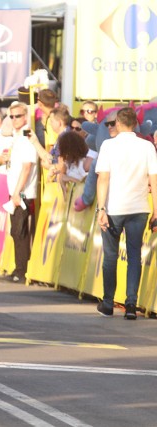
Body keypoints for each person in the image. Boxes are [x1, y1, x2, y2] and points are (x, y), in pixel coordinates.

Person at [95, 107, 157, 319]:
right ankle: (131, 304)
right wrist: (156, 210)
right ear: (136, 125)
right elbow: (154, 181)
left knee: (110, 256)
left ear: (119, 124)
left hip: (114, 208)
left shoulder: (108, 146)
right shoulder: (147, 147)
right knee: (134, 257)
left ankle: (108, 302)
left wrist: (101, 208)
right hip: (139, 208)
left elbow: (102, 178)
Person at [0, 102, 39, 283]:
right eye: (12, 116)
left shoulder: (26, 137)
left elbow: (27, 167)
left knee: (20, 231)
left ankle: (21, 271)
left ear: (25, 117)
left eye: (18, 116)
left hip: (22, 193)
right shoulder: (17, 137)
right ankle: (18, 268)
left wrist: (17, 192)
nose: (14, 119)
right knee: (16, 231)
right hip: (15, 190)